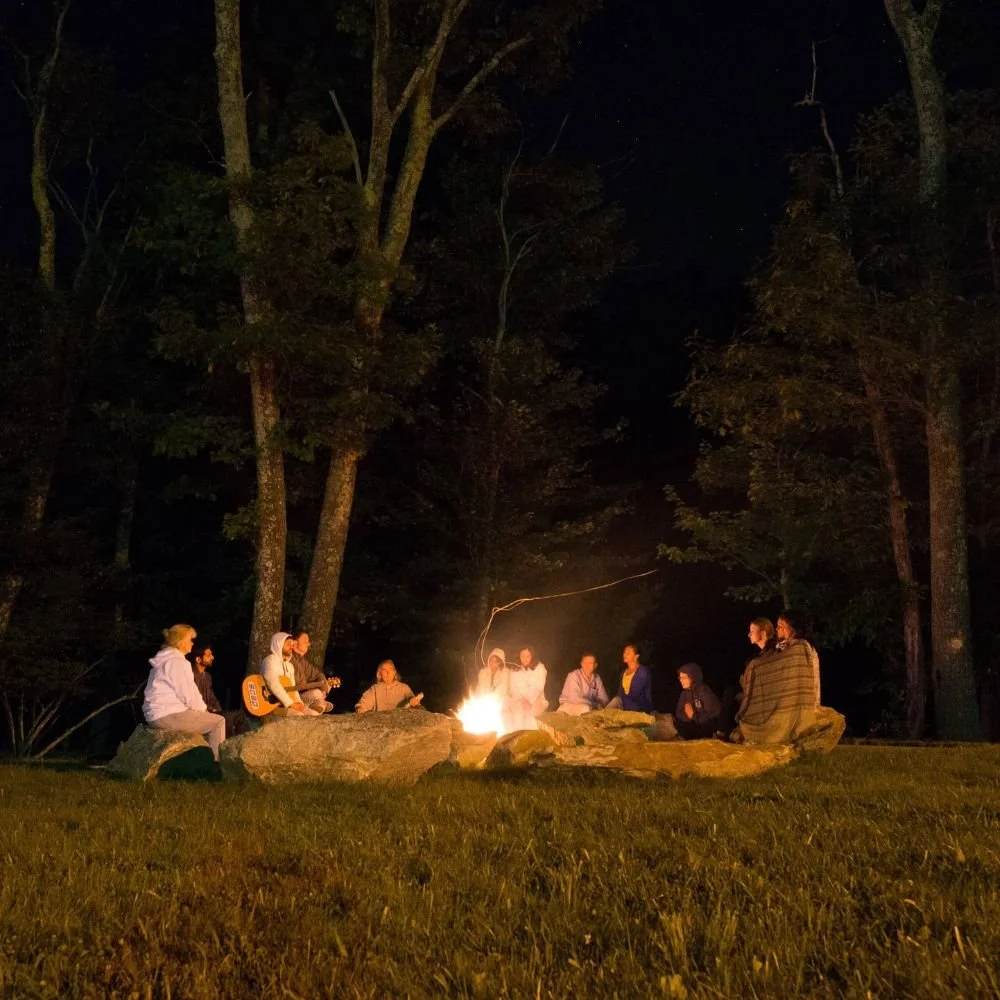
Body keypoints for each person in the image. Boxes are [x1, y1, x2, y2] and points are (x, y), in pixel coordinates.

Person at [143, 624, 226, 759]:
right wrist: (204, 711)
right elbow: (189, 696)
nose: (192, 643)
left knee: (204, 720)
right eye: (190, 639)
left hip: (157, 714)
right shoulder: (177, 662)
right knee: (218, 722)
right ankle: (215, 764)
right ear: (180, 642)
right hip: (167, 714)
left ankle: (201, 759)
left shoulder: (165, 660)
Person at [736, 631, 817, 745]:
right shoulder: (773, 648)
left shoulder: (792, 646)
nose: (777, 629)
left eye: (781, 625)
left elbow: (777, 666)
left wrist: (754, 668)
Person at [189, 641, 246, 738]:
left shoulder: (207, 676)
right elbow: (193, 700)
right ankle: (226, 744)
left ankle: (237, 743)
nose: (212, 657)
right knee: (227, 719)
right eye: (208, 655)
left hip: (210, 711)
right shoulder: (190, 675)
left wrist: (218, 710)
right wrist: (212, 710)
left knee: (239, 716)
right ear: (198, 659)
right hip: (199, 712)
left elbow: (212, 698)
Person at [260, 631, 322, 717]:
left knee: (314, 714)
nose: (292, 646)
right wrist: (290, 704)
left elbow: (293, 689)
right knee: (298, 715)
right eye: (288, 644)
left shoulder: (289, 666)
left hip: (286, 703)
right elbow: (273, 684)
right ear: (279, 644)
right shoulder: (271, 660)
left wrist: (299, 702)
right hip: (271, 704)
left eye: (292, 644)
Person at [776, 609, 821, 708]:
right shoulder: (789, 644)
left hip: (801, 704)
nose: (777, 629)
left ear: (792, 627)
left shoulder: (800, 646)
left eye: (782, 625)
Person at [290, 631, 335, 714]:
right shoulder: (290, 659)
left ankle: (319, 703)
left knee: (327, 685)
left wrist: (323, 690)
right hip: (294, 698)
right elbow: (298, 684)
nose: (308, 644)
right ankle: (320, 704)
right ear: (295, 643)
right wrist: (316, 687)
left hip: (304, 694)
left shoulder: (302, 661)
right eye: (305, 641)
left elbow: (318, 675)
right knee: (317, 693)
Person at [674, 662, 721, 740]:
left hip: (705, 728)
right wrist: (689, 717)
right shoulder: (684, 693)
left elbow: (714, 714)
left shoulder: (704, 691)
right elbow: (679, 713)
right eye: (680, 678)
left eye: (684, 678)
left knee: (707, 726)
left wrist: (694, 716)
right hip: (693, 725)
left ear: (693, 678)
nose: (681, 680)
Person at [356, 660, 424, 713]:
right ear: (379, 674)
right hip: (381, 723)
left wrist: (414, 701)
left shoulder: (404, 688)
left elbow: (412, 699)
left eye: (390, 669)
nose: (388, 672)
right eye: (384, 670)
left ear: (394, 672)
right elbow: (363, 703)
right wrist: (360, 708)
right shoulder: (375, 689)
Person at [506, 646, 548, 730]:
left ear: (532, 656)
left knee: (530, 720)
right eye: (522, 656)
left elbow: (539, 687)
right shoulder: (514, 670)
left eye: (527, 656)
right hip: (519, 701)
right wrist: (521, 700)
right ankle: (517, 736)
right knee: (517, 717)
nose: (525, 659)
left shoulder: (539, 668)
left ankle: (531, 737)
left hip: (536, 701)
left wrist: (530, 700)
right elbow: (513, 688)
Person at [606, 643, 653, 713]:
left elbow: (635, 694)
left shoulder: (642, 672)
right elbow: (620, 693)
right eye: (624, 653)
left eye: (628, 653)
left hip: (639, 707)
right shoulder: (624, 673)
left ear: (636, 656)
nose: (624, 655)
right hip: (625, 705)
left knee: (616, 702)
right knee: (616, 700)